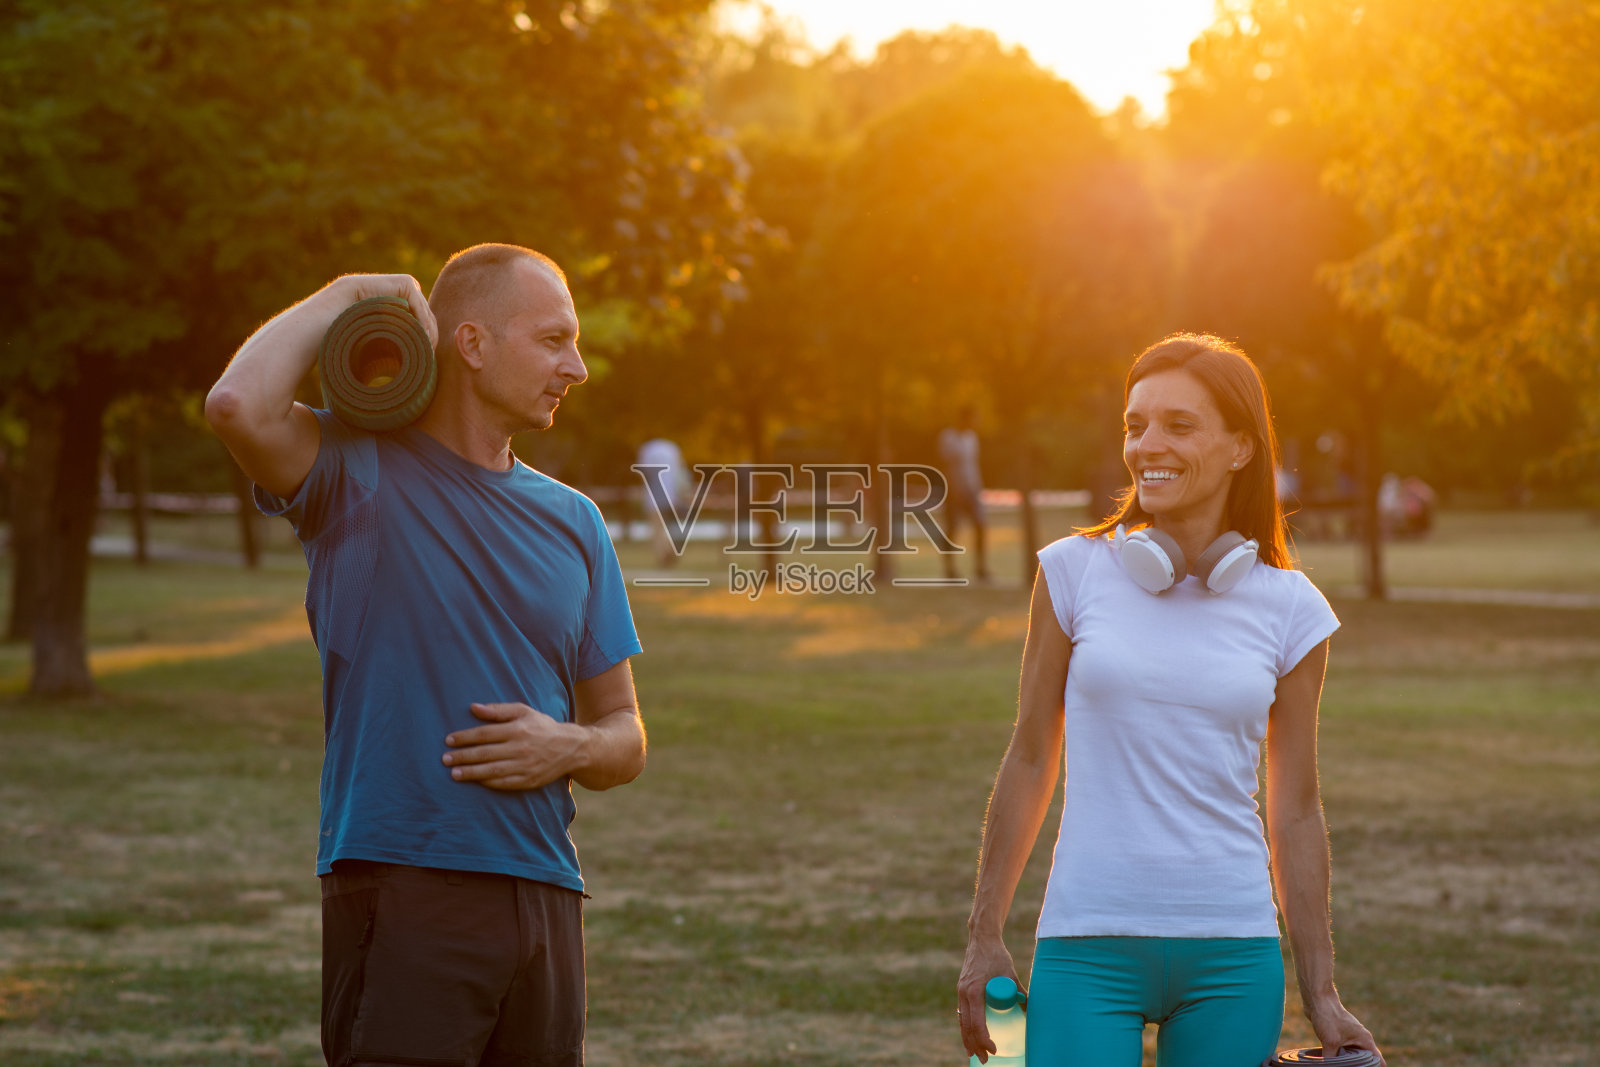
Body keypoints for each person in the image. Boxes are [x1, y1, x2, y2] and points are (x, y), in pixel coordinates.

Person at [205, 244, 646, 1067]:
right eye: (553, 340)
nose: (576, 367)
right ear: (470, 344)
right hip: (405, 882)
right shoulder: (353, 468)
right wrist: (350, 290)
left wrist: (573, 745)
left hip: (547, 893)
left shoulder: (577, 522)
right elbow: (236, 404)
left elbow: (626, 731)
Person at [957, 333, 1382, 1067]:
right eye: (1135, 424)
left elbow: (1298, 807)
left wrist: (1322, 991)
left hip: (1232, 952)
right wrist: (983, 934)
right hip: (1086, 941)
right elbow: (1030, 757)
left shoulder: (1293, 609)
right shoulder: (1071, 574)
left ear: (1241, 448)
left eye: (1179, 425)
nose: (1147, 444)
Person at [938, 404, 991, 582]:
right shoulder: (948, 437)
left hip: (972, 488)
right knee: (952, 529)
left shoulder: (971, 438)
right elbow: (946, 465)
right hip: (954, 490)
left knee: (980, 526)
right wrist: (953, 489)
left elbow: (973, 465)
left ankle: (980, 567)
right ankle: (949, 568)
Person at [636, 436, 690, 567]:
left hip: (654, 494)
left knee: (656, 528)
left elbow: (645, 473)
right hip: (672, 494)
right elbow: (681, 471)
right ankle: (669, 550)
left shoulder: (646, 449)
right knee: (667, 527)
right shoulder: (672, 447)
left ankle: (663, 554)